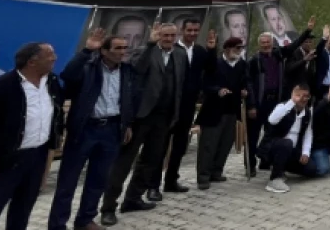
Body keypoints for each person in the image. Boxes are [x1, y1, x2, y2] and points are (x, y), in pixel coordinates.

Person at [0, 42, 61, 230]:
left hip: (36, 157)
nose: (54, 58)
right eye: (50, 55)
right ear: (32, 62)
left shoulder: (52, 82)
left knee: (22, 211)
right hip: (3, 161)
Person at [102, 23, 186, 227]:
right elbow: (137, 69)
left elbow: (179, 84)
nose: (168, 39)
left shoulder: (180, 55)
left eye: (172, 35)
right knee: (123, 163)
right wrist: (150, 44)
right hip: (141, 117)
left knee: (151, 160)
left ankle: (133, 199)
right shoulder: (145, 51)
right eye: (165, 35)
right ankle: (108, 207)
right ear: (158, 36)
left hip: (164, 118)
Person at [49, 29, 134, 230]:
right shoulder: (88, 67)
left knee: (98, 179)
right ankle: (57, 224)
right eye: (118, 48)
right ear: (104, 51)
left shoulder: (127, 71)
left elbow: (131, 99)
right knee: (67, 182)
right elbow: (68, 77)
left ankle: (86, 219)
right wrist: (86, 51)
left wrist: (127, 123)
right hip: (86, 130)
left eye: (125, 48)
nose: (122, 52)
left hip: (112, 130)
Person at [158, 20, 215, 197]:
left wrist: (212, 50)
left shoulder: (199, 51)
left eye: (195, 30)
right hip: (169, 105)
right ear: (182, 31)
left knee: (180, 145)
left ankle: (171, 180)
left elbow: (211, 71)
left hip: (188, 105)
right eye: (189, 30)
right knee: (161, 145)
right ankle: (152, 184)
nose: (192, 33)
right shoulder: (172, 49)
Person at [196, 37, 253, 190]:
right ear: (227, 49)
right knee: (209, 145)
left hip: (232, 109)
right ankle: (203, 176)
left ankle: (216, 171)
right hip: (214, 110)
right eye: (236, 48)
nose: (239, 51)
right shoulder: (215, 63)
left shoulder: (242, 64)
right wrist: (217, 90)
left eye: (241, 48)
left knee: (225, 143)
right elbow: (205, 84)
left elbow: (245, 81)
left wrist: (244, 91)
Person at [247, 30, 301, 177]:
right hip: (259, 102)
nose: (266, 45)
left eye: (268, 42)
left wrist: (307, 31)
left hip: (275, 102)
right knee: (253, 135)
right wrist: (251, 105)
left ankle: (265, 160)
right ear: (259, 44)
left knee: (271, 133)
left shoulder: (278, 55)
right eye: (263, 43)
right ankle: (250, 164)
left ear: (272, 43)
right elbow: (249, 84)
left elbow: (293, 46)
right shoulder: (254, 60)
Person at [258, 84, 315, 194]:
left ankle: (282, 168)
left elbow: (308, 134)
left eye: (306, 96)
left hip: (291, 150)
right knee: (286, 143)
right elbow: (272, 120)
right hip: (272, 147)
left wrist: (305, 153)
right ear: (292, 95)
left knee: (311, 169)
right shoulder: (283, 107)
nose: (302, 99)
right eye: (299, 95)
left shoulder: (307, 112)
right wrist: (292, 102)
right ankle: (275, 179)